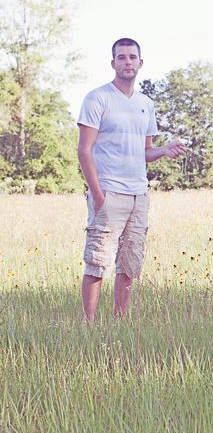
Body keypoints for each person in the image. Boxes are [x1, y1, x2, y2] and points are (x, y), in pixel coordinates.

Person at [77, 38, 187, 321]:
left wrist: (164, 150)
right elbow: (84, 151)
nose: (127, 62)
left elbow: (145, 152)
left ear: (141, 63)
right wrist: (98, 195)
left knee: (129, 265)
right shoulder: (97, 98)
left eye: (132, 57)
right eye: (122, 57)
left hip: (139, 195)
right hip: (109, 193)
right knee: (97, 263)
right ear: (113, 63)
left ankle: (120, 323)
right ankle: (87, 326)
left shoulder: (145, 104)